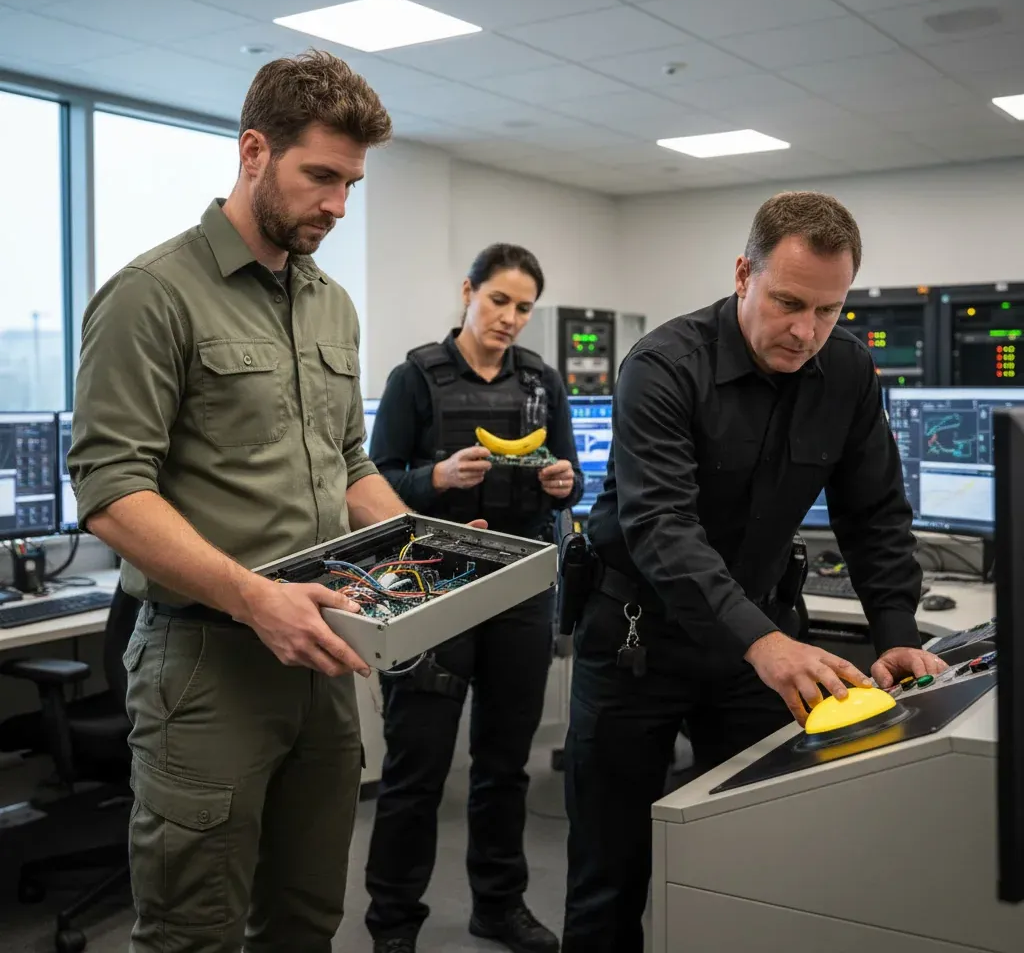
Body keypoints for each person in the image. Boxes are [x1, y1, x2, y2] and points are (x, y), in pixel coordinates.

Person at [68, 49, 405, 953]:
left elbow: (347, 459)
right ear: (254, 152)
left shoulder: (331, 304)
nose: (337, 204)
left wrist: (421, 541)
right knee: (194, 932)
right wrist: (254, 596)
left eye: (352, 183)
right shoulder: (153, 294)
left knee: (303, 921)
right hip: (207, 662)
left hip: (322, 654)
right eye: (320, 176)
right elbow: (108, 488)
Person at [560, 191, 949, 953]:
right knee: (609, 874)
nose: (806, 331)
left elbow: (873, 513)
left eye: (829, 311)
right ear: (744, 273)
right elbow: (661, 527)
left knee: (760, 848)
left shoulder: (847, 372)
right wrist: (762, 642)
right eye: (789, 302)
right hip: (638, 639)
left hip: (759, 645)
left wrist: (896, 631)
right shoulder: (664, 366)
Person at [364, 243, 582, 953]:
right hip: (433, 580)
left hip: (517, 580)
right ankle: (393, 924)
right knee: (416, 768)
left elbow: (572, 474)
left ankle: (499, 905)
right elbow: (372, 482)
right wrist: (435, 478)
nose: (510, 318)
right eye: (499, 300)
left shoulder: (542, 382)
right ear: (469, 291)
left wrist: (563, 484)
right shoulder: (416, 377)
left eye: (523, 307)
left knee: (503, 765)